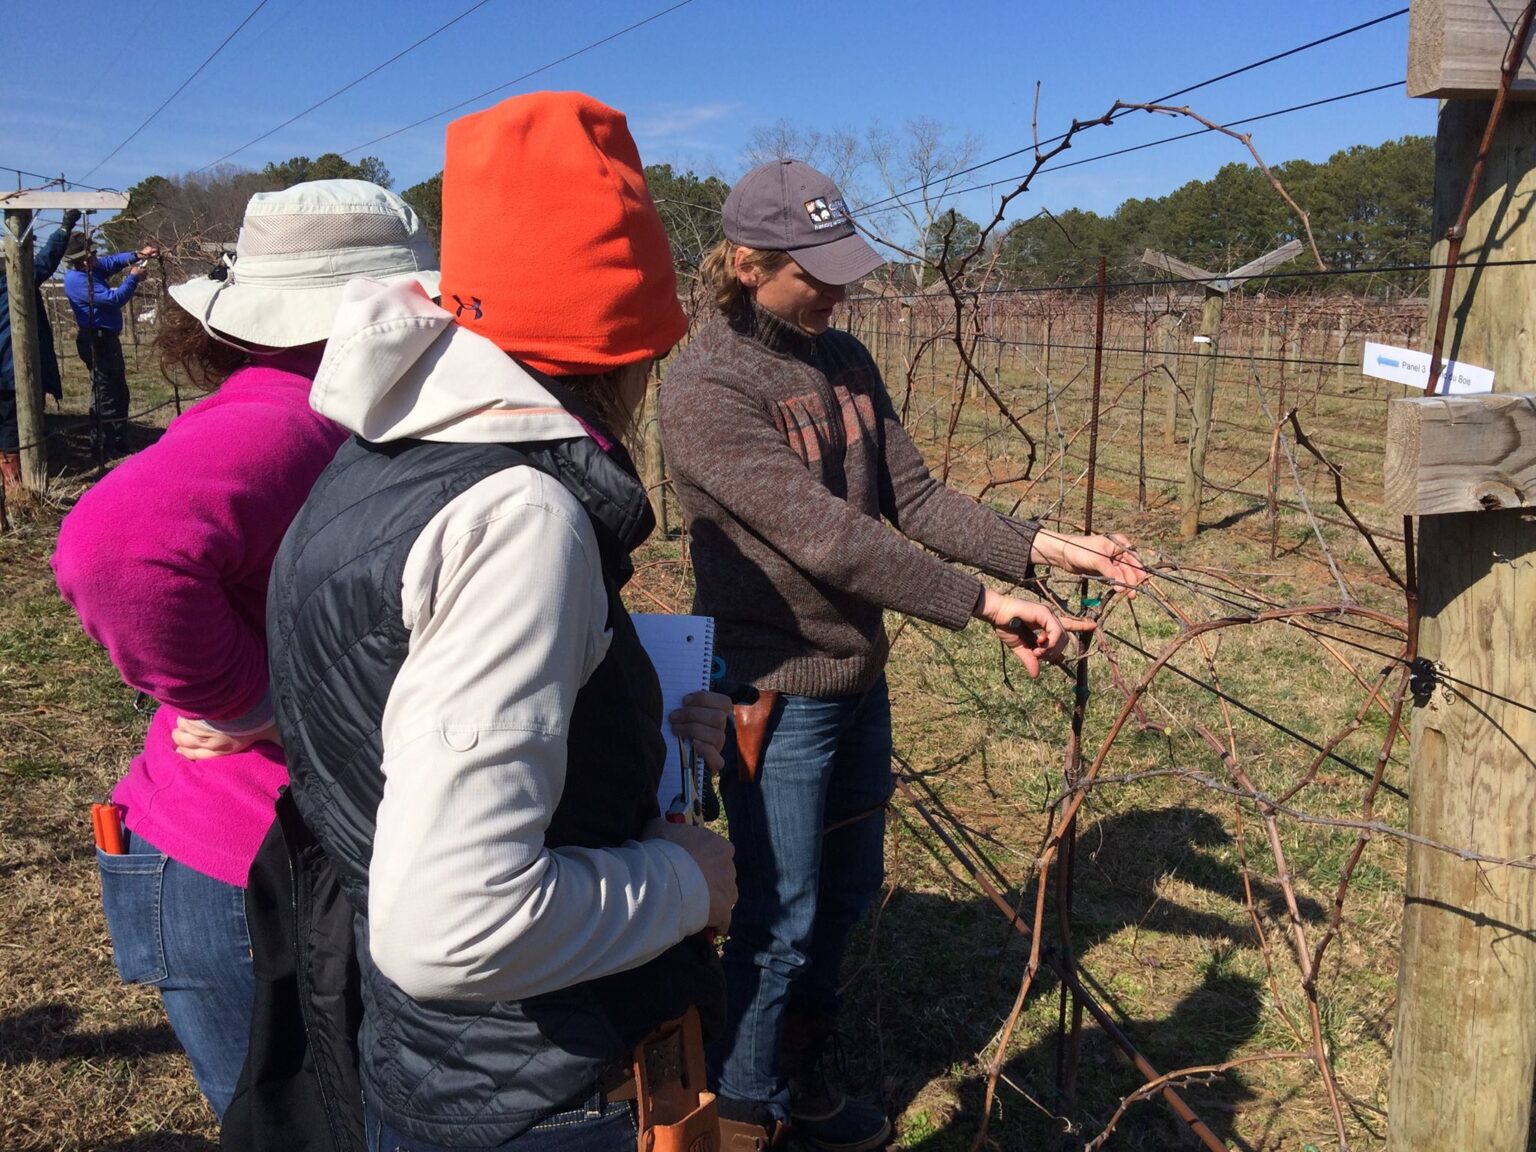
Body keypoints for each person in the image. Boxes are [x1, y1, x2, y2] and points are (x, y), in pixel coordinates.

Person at [263, 91, 735, 1151]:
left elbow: (397, 707)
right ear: (629, 351)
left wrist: (630, 730)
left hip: (440, 1067)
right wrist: (683, 881)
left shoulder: (386, 458)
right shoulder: (520, 518)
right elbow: (453, 927)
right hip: (539, 1092)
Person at [659, 158, 1151, 1150]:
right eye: (815, 273)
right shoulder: (705, 388)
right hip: (768, 692)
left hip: (855, 680)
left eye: (843, 267)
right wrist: (983, 602)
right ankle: (742, 1118)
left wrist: (1043, 547)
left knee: (840, 899)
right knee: (774, 908)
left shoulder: (843, 360)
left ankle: (796, 1076)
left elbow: (914, 501)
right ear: (749, 265)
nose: (837, 289)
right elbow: (832, 537)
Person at [51, 180, 441, 1120]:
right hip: (250, 865)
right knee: (292, 1123)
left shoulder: (320, 409)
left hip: (262, 853)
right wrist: (254, 701)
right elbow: (114, 551)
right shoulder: (290, 418)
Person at [1, 208, 79, 493]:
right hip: (10, 368)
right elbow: (45, 262)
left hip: (7, 366)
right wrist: (64, 228)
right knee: (13, 423)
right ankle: (17, 484)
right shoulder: (12, 280)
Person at [62, 231, 156, 456]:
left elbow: (111, 262)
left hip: (107, 339)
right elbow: (114, 299)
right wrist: (133, 278)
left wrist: (137, 254)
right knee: (104, 392)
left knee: (118, 390)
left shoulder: (91, 269)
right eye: (90, 255)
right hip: (96, 339)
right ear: (79, 260)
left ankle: (118, 439)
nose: (95, 258)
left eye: (94, 253)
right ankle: (103, 444)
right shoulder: (77, 281)